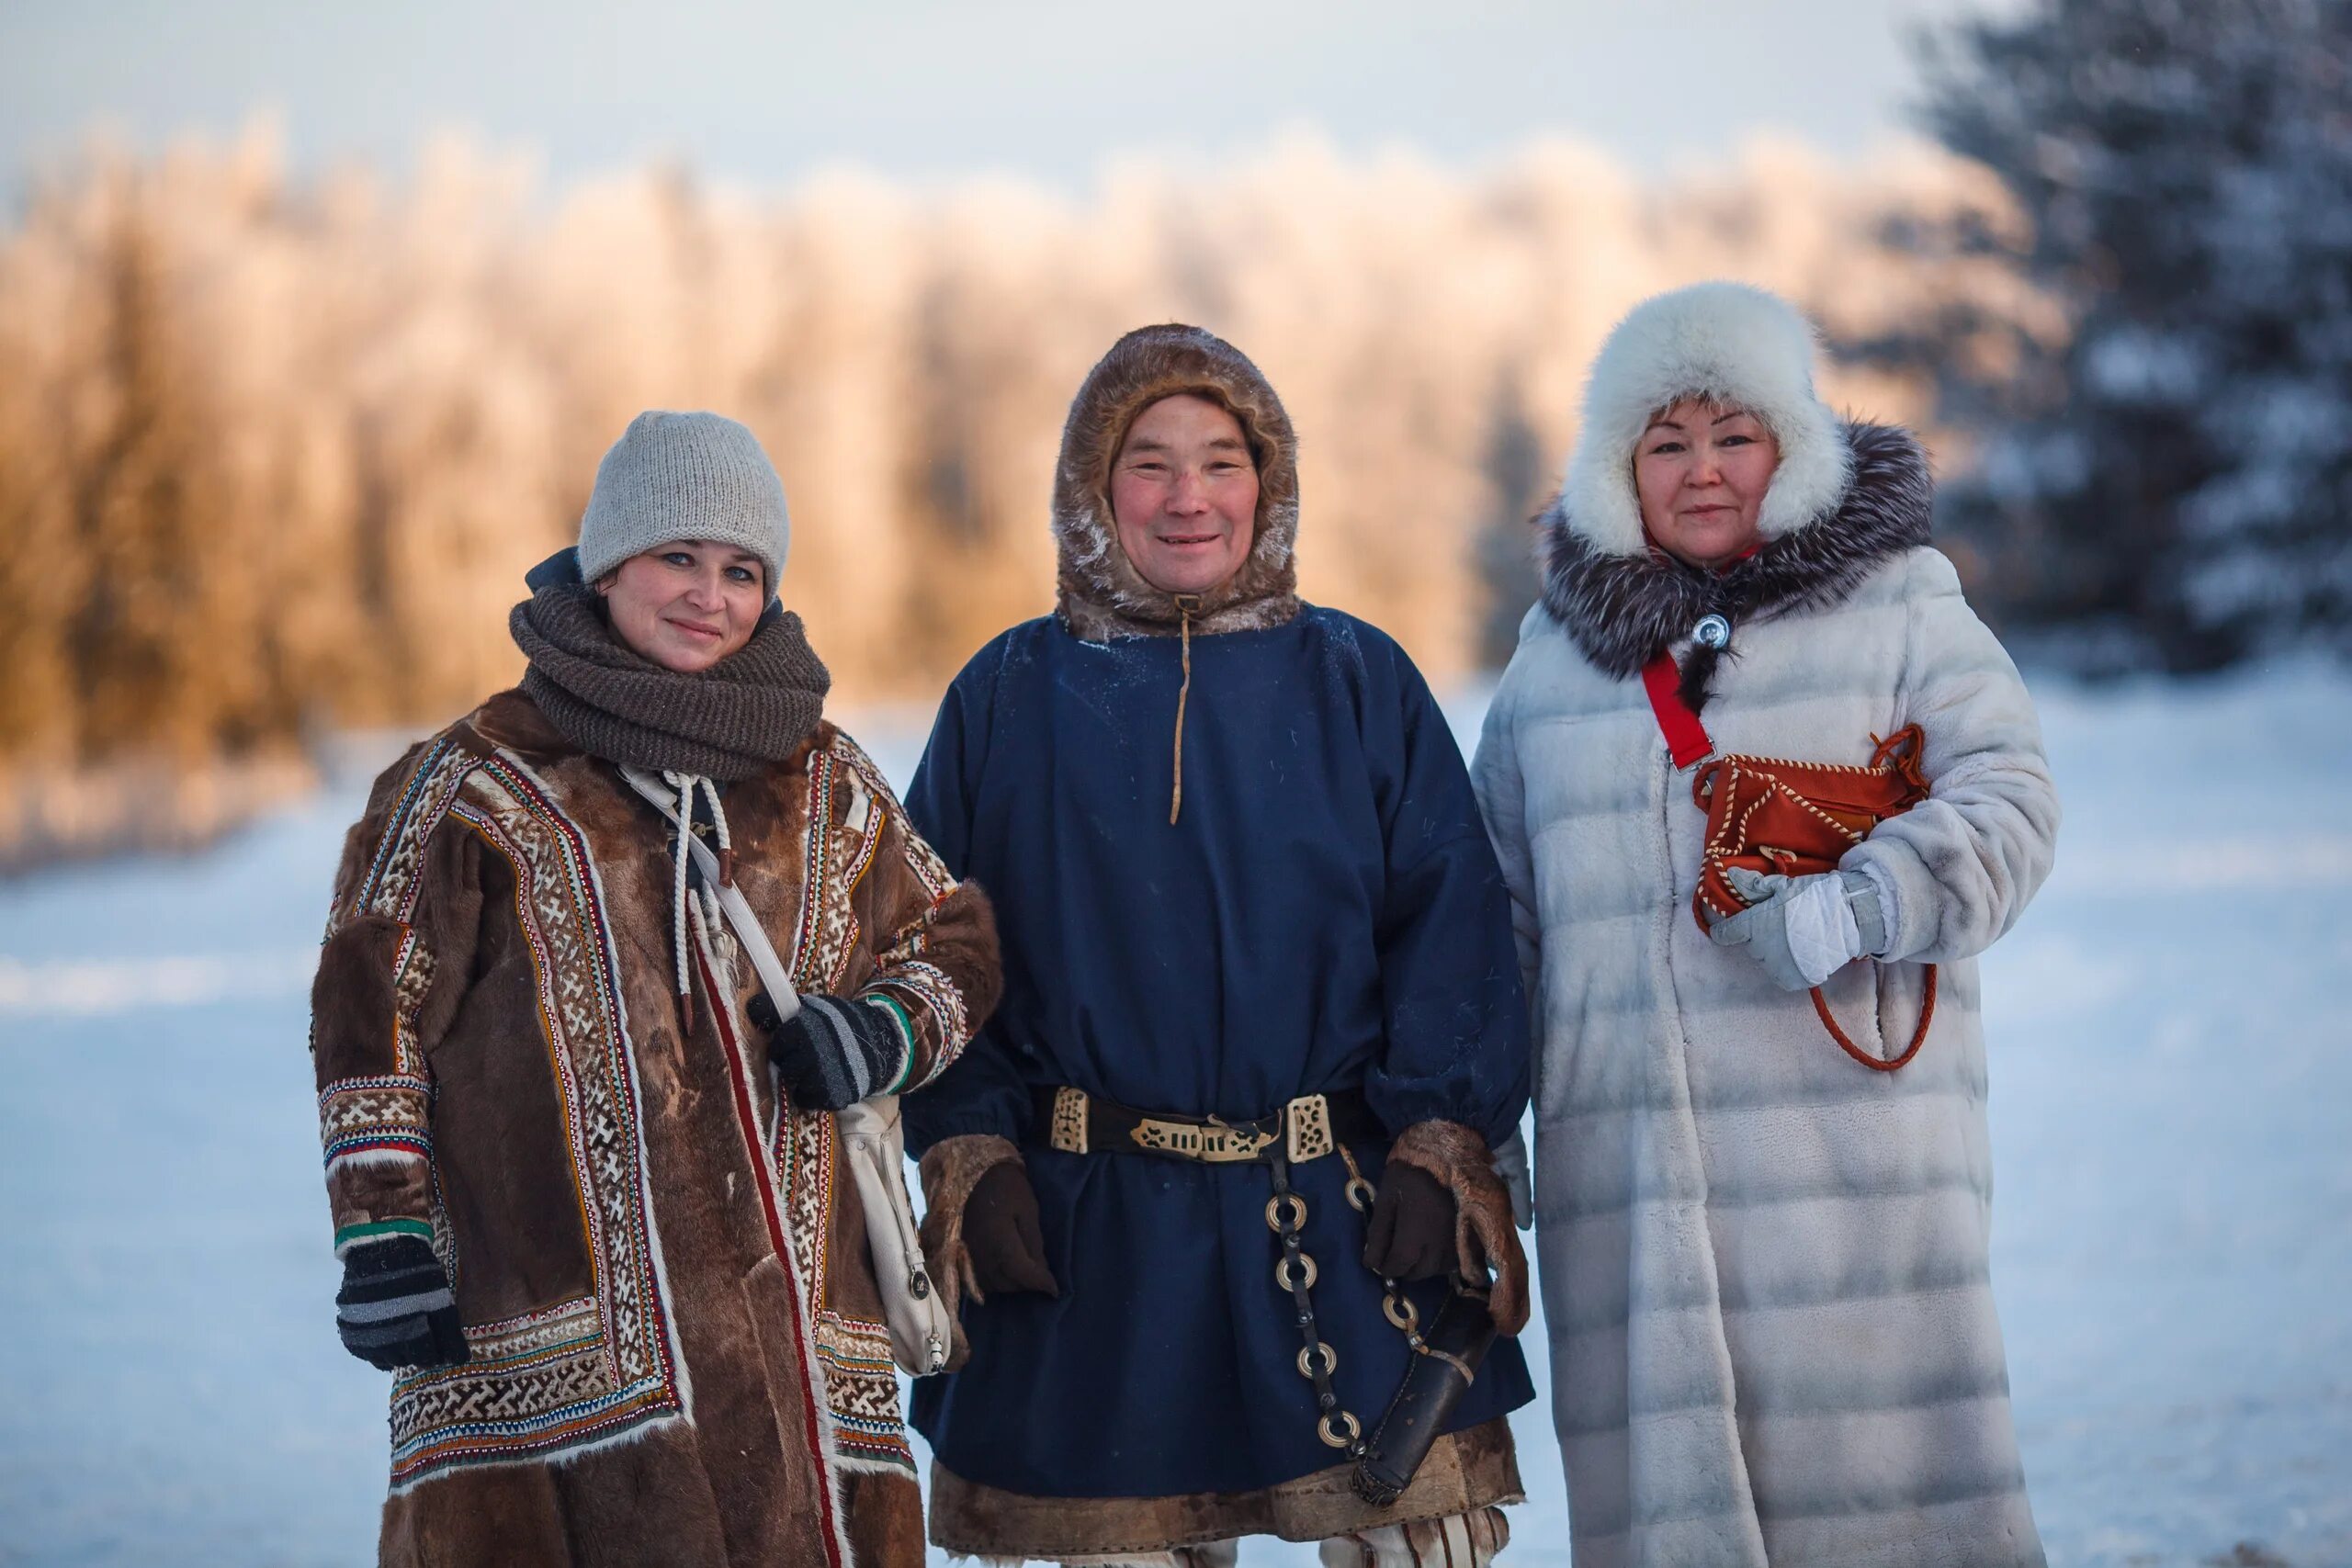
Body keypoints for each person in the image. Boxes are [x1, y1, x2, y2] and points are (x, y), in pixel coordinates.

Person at [307, 410, 1001, 1567]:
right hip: (547, 1352)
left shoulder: (826, 777)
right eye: (678, 556)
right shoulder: (471, 779)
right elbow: (369, 1006)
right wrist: (382, 1226)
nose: (708, 596)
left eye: (741, 571)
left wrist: (883, 1030)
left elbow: (956, 941)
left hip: (803, 1364)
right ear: (608, 567)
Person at [901, 323, 1535, 1568]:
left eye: (1221, 461)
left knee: (1419, 1545)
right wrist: (970, 1143)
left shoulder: (1359, 678)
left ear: (1268, 482)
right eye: (1149, 463)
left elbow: (1450, 923)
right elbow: (929, 949)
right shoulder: (1005, 693)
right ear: (1094, 491)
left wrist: (1439, 1133)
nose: (1188, 496)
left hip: (1347, 1216)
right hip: (1087, 1237)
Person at [1473, 282, 2059, 1567]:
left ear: (1790, 446)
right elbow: (1493, 914)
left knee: (1889, 1515)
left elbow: (2011, 803)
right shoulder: (1553, 661)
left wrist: (1858, 905)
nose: (1701, 469)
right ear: (1616, 467)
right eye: (1665, 442)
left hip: (1852, 1180)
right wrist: (1476, 1119)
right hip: (1624, 1183)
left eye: (1732, 435)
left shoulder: (1899, 602)